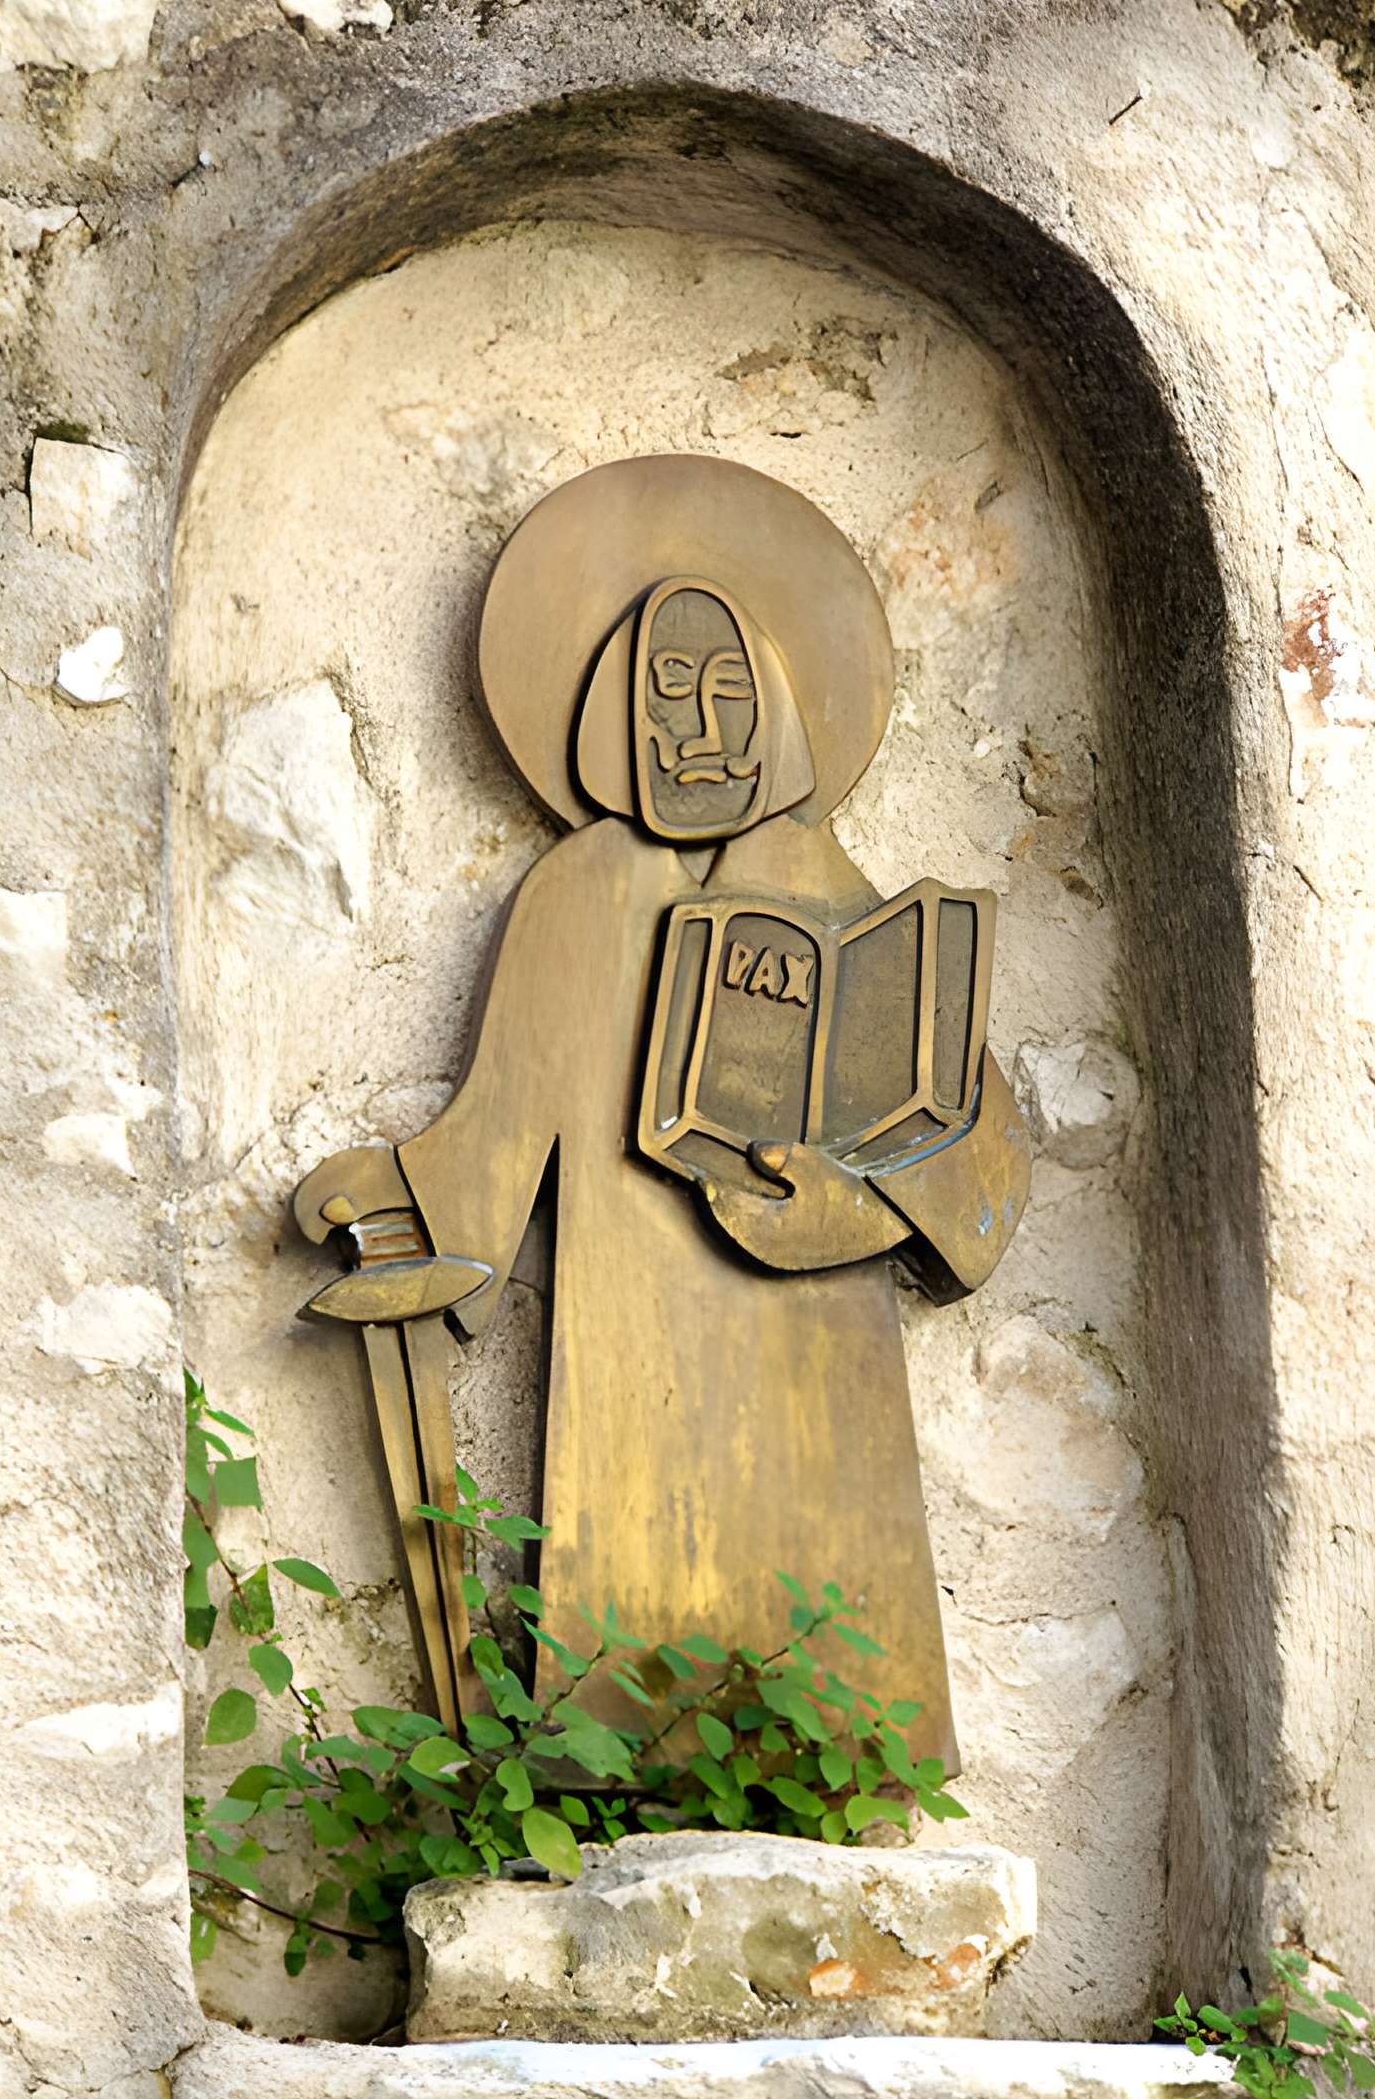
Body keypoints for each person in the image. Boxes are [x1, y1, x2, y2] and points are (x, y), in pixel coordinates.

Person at [296, 456, 1030, 1770]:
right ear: (613, 719)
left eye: (729, 691)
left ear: (782, 712)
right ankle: (610, 1767)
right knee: (626, 1670)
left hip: (816, 1348)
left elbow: (976, 1150)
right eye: (668, 690)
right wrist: (390, 1198)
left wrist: (859, 1213)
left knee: (832, 1683)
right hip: (634, 1328)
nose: (700, 725)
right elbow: (492, 1144)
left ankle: (839, 1764)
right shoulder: (573, 897)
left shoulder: (832, 890)